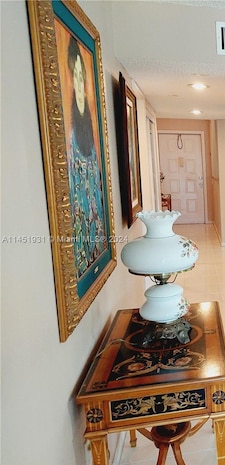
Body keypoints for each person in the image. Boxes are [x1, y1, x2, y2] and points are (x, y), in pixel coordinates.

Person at [66, 36, 107, 282]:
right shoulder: (71, 139)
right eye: (77, 77)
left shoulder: (93, 138)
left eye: (84, 79)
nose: (80, 86)